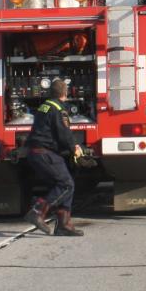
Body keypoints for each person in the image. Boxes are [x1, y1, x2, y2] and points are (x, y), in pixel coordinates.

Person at [25, 79, 85, 237]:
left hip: (37, 152)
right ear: (65, 93)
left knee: (66, 184)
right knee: (66, 185)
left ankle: (63, 225)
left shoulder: (44, 106)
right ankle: (37, 212)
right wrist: (75, 148)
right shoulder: (59, 109)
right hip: (44, 153)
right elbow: (63, 134)